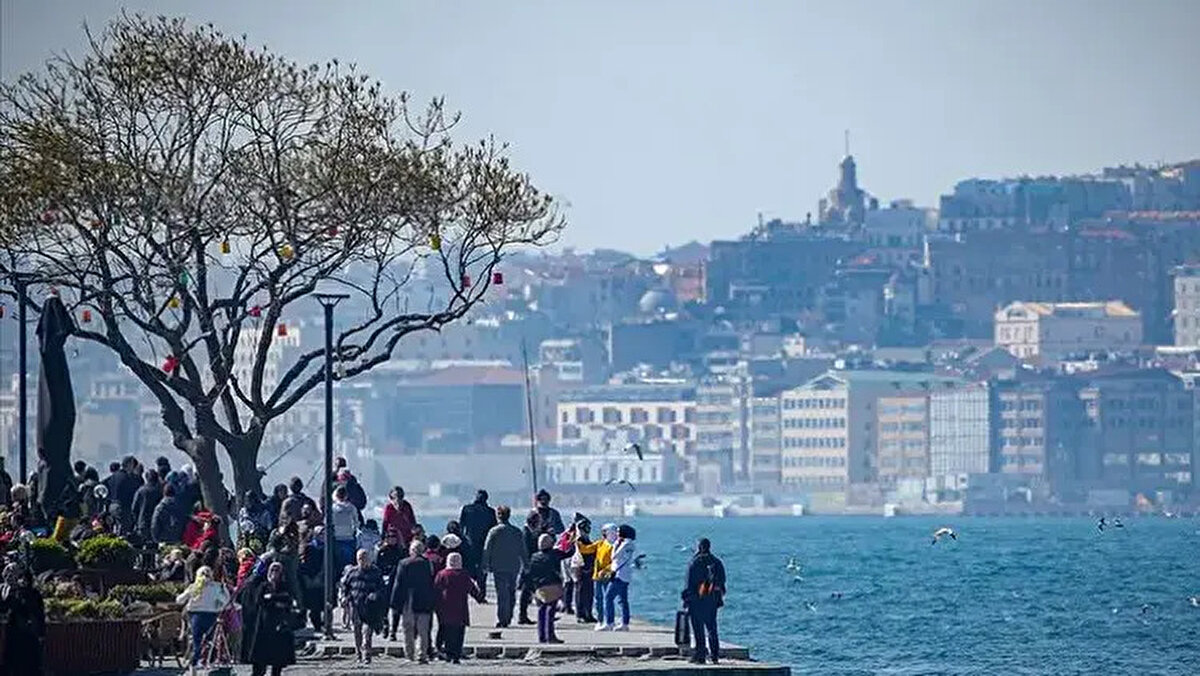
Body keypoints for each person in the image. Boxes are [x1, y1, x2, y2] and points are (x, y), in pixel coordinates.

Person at [176, 565, 232, 671]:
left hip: (196, 615)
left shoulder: (194, 587)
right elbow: (227, 603)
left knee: (197, 640)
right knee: (211, 640)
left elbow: (180, 600)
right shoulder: (217, 587)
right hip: (212, 615)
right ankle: (209, 661)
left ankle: (194, 663)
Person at [246, 561, 296, 676]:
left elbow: (288, 599)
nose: (274, 573)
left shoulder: (284, 586)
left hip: (279, 625)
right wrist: (275, 602)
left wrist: (273, 597)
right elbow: (260, 601)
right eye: (272, 570)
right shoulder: (263, 586)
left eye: (277, 570)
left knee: (277, 661)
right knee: (260, 660)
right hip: (264, 624)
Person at [482, 505, 528, 628]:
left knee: (502, 594)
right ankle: (508, 617)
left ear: (498, 516)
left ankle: (502, 618)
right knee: (511, 592)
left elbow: (487, 549)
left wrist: (485, 565)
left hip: (498, 567)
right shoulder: (516, 531)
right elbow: (523, 550)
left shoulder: (494, 531)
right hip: (513, 566)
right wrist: (526, 564)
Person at [682, 537, 726, 665]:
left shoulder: (694, 563)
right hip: (711, 600)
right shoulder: (717, 562)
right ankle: (715, 656)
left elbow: (688, 584)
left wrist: (686, 600)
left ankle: (700, 655)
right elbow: (722, 582)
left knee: (698, 629)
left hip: (696, 601)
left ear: (699, 547)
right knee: (712, 628)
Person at [433, 552, 483, 664]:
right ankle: (456, 654)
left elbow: (436, 590)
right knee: (459, 632)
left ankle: (447, 652)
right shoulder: (464, 575)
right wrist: (479, 598)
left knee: (447, 630)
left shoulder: (442, 574)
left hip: (445, 608)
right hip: (460, 607)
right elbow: (472, 589)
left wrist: (434, 605)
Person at [390, 540, 435, 662]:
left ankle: (409, 654)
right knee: (423, 629)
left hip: (409, 598)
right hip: (424, 599)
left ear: (411, 550)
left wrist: (394, 603)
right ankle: (422, 654)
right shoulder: (428, 564)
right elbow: (431, 583)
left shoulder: (404, 563)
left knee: (408, 629)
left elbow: (398, 584)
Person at [340, 548, 385, 665]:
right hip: (355, 607)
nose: (363, 560)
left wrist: (375, 595)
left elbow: (381, 588)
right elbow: (345, 587)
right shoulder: (352, 572)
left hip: (369, 608)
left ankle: (367, 654)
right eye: (360, 558)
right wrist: (344, 598)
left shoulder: (375, 572)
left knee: (367, 632)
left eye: (365, 558)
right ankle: (358, 653)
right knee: (357, 631)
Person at [0, 563, 46, 676]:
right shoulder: (7, 590)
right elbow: (4, 608)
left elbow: (38, 613)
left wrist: (41, 633)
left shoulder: (30, 593)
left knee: (27, 664)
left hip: (27, 633)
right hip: (15, 632)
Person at [527, 533, 568, 644]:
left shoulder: (534, 557)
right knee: (550, 612)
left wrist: (532, 589)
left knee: (541, 611)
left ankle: (542, 636)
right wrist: (571, 539)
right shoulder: (554, 554)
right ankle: (550, 636)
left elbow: (529, 574)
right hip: (553, 586)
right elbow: (569, 553)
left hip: (539, 587)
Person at [458, 489, 497, 599]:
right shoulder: (490, 512)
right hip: (484, 545)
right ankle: (481, 592)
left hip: (469, 544)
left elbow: (461, 527)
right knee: (482, 571)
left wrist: (462, 541)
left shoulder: (467, 509)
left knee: (469, 569)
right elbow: (493, 530)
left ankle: (471, 590)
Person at [603, 524, 636, 631]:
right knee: (623, 600)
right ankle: (624, 624)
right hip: (616, 573)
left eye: (618, 531)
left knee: (609, 597)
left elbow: (620, 557)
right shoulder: (618, 543)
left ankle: (610, 622)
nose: (616, 534)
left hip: (621, 574)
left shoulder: (628, 544)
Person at [583, 522, 616, 630]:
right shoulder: (601, 543)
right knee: (598, 599)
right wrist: (576, 541)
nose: (603, 533)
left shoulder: (614, 546)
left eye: (605, 531)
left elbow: (615, 562)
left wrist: (606, 570)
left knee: (608, 599)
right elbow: (587, 549)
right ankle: (600, 620)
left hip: (607, 576)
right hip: (597, 576)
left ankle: (609, 621)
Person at [571, 518, 598, 623]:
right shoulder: (578, 542)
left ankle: (588, 613)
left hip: (590, 570)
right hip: (580, 570)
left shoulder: (588, 541)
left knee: (589, 593)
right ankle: (580, 614)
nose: (587, 530)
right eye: (586, 528)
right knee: (580, 592)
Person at [330, 486, 359, 571]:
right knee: (348, 563)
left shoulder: (332, 508)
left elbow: (328, 522)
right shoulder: (352, 508)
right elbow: (356, 523)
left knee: (337, 563)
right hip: (349, 538)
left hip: (336, 538)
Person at [131, 469, 163, 543]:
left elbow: (134, 508)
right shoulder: (159, 491)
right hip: (156, 522)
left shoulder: (140, 491)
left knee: (143, 545)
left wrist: (136, 521)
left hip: (142, 522)